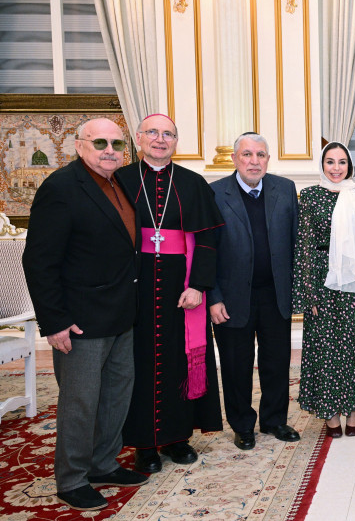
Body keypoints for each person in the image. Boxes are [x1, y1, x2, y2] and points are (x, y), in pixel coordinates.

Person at [22, 118, 147, 511]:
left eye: (116, 144)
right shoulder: (61, 188)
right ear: (79, 146)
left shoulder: (119, 183)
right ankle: (72, 479)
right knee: (80, 403)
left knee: (115, 397)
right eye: (100, 143)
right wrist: (54, 320)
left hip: (121, 314)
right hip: (80, 321)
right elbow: (39, 261)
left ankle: (103, 463)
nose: (109, 150)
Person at [115, 114, 225, 474]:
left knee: (179, 358)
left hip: (182, 287)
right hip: (136, 286)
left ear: (176, 142)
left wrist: (198, 286)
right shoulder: (121, 180)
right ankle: (144, 444)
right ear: (138, 138)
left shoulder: (193, 182)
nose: (160, 139)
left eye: (168, 134)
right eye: (153, 132)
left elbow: (207, 240)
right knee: (138, 362)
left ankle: (178, 438)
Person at [209, 132, 300, 450]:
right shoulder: (214, 193)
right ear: (235, 158)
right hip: (232, 298)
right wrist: (213, 297)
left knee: (277, 362)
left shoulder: (285, 189)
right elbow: (206, 250)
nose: (254, 161)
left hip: (276, 295)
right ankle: (242, 425)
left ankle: (274, 420)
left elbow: (296, 243)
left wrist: (298, 291)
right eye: (247, 154)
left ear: (268, 159)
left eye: (260, 155)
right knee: (236, 365)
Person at [294, 142, 355, 437]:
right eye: (330, 162)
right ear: (322, 165)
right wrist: (309, 291)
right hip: (322, 279)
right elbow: (304, 245)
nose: (336, 168)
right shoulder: (309, 195)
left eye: (342, 162)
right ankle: (330, 414)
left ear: (349, 165)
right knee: (324, 348)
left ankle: (353, 410)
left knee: (354, 346)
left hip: (353, 280)